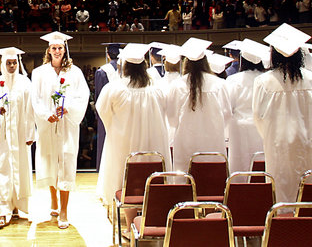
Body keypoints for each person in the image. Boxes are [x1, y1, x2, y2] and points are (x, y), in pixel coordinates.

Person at [253, 23, 312, 202]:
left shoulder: (263, 81)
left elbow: (257, 116)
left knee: (281, 185)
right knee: (307, 183)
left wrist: (271, 134)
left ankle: (281, 221)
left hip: (277, 142)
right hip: (308, 141)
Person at [96, 44, 170, 208]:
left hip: (124, 142)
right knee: (150, 175)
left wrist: (116, 128)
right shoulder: (158, 88)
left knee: (127, 179)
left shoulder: (114, 88)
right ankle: (149, 213)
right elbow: (166, 110)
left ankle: (129, 224)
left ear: (124, 66)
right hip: (153, 141)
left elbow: (103, 112)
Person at [31, 31, 90, 229]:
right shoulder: (39, 73)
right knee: (49, 162)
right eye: (54, 48)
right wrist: (45, 115)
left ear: (65, 50)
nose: (57, 51)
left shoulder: (75, 73)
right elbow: (36, 99)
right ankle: (53, 200)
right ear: (48, 50)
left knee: (65, 163)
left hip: (66, 126)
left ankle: (64, 209)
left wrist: (68, 108)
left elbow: (83, 97)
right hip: (48, 125)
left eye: (60, 48)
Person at [0, 47, 35, 228]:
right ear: (3, 64)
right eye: (8, 63)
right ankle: (3, 210)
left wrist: (30, 133)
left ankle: (18, 206)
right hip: (1, 136)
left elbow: (31, 110)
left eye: (14, 63)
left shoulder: (25, 83)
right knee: (2, 169)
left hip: (19, 135)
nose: (11, 66)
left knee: (20, 168)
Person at [164, 37, 230, 172]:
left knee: (186, 181)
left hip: (185, 141)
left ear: (186, 63)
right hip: (213, 141)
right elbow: (227, 114)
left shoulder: (177, 86)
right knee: (212, 181)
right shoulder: (219, 84)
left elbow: (171, 118)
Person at [225, 39, 268, 173]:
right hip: (263, 127)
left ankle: (239, 191)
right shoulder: (267, 79)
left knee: (240, 166)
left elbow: (228, 107)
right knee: (262, 164)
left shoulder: (233, 80)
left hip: (239, 128)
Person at [94, 42, 123, 171]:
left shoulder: (102, 71)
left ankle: (104, 168)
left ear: (108, 55)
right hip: (124, 109)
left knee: (105, 137)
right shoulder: (126, 69)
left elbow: (98, 95)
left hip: (106, 109)